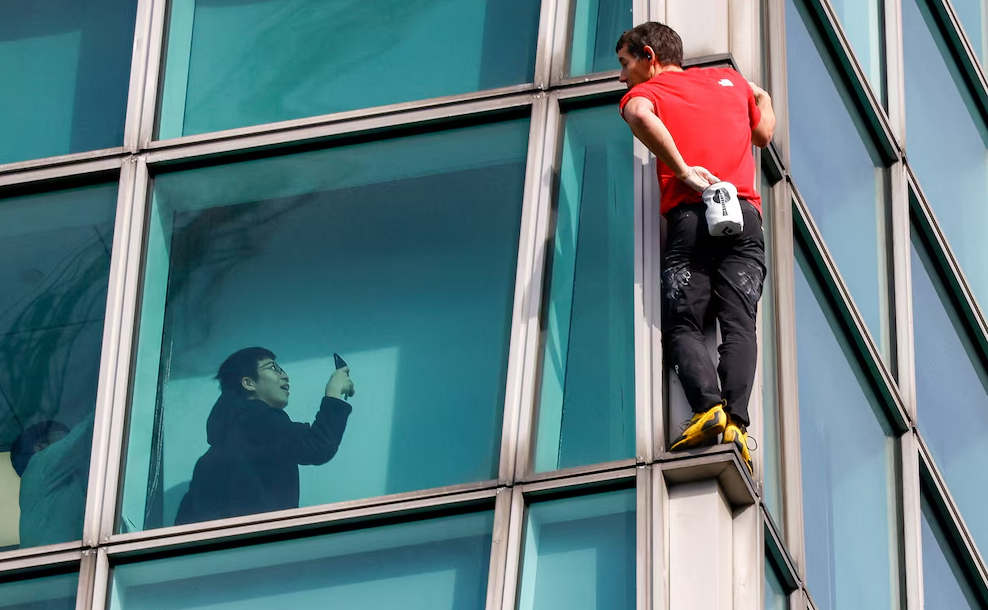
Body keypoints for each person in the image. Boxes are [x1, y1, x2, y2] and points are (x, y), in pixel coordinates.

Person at [615, 22, 776, 473]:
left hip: (692, 215)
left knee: (682, 322)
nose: (622, 77)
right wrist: (758, 96)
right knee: (739, 323)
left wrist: (682, 170)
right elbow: (763, 132)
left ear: (649, 55)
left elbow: (640, 116)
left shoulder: (649, 93)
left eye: (625, 64)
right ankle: (738, 428)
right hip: (744, 215)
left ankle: (709, 410)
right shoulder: (730, 83)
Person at [175, 347, 354, 525]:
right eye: (273, 368)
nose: (285, 375)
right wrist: (334, 392)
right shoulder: (257, 419)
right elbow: (318, 445)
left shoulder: (217, 448)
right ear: (248, 383)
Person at [11, 412, 95, 547]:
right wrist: (103, 406)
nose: (65, 443)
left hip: (57, 562)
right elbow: (82, 436)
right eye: (61, 439)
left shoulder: (57, 486)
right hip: (54, 562)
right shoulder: (39, 465)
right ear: (40, 448)